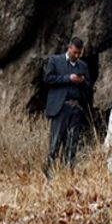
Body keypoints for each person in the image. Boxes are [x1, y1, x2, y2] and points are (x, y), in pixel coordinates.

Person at [43, 37, 92, 176]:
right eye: (75, 52)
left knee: (72, 144)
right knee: (55, 142)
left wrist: (82, 82)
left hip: (76, 109)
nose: (77, 56)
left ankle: (68, 175)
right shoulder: (55, 60)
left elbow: (89, 88)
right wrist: (68, 78)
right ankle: (49, 174)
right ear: (69, 48)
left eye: (79, 53)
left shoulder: (83, 66)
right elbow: (48, 79)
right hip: (60, 108)